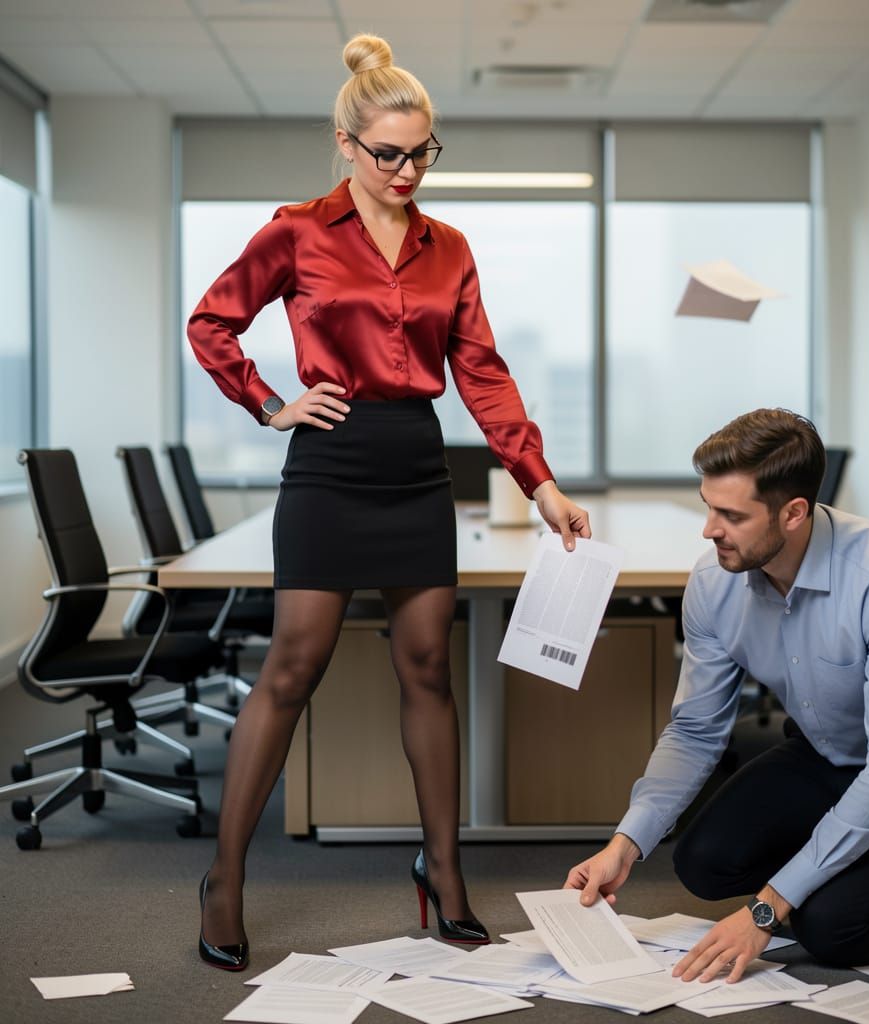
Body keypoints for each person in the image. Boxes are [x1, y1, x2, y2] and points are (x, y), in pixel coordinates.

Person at [188, 33, 591, 971]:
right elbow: (212, 322)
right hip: (328, 466)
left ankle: (442, 870)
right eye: (388, 154)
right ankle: (225, 879)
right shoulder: (297, 230)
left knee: (428, 669)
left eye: (422, 154)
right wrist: (269, 403)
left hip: (416, 466)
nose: (408, 172)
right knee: (293, 666)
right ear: (346, 143)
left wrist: (540, 483)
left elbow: (482, 372)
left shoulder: (449, 249)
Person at [565, 408, 869, 982]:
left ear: (794, 513)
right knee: (701, 863)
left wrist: (767, 908)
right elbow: (696, 730)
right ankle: (841, 864)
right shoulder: (713, 581)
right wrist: (624, 844)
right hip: (824, 749)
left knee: (830, 928)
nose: (709, 530)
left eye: (732, 515)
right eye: (708, 507)